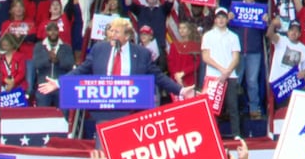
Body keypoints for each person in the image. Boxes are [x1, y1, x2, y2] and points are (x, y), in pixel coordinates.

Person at [38, 18, 194, 100]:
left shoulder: (141, 53)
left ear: (127, 36)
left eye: (117, 32)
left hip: (132, 108)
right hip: (105, 109)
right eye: (111, 31)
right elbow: (81, 70)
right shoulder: (99, 50)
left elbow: (159, 77)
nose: (112, 35)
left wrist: (180, 90)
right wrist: (59, 82)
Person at [202, 7, 241, 138]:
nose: (221, 20)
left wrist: (227, 72)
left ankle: (236, 134)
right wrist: (222, 70)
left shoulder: (233, 36)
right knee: (213, 108)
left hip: (230, 76)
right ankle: (212, 135)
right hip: (213, 76)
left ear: (227, 19)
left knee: (233, 106)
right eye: (218, 17)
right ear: (215, 19)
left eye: (223, 17)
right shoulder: (207, 36)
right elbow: (206, 57)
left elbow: (236, 58)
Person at [33, 22, 75, 107]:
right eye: (50, 30)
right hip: (43, 85)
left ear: (58, 31)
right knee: (42, 113)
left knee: (63, 112)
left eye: (55, 30)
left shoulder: (66, 47)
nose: (53, 32)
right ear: (46, 32)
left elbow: (70, 64)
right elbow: (36, 64)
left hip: (61, 85)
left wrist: (58, 61)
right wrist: (48, 59)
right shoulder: (39, 46)